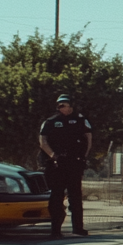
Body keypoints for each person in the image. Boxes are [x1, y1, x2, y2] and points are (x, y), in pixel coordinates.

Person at [39, 93, 93, 237]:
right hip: (57, 165)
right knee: (56, 197)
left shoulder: (81, 120)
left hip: (74, 163)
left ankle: (78, 228)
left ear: (71, 105)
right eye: (59, 104)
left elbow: (88, 139)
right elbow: (43, 142)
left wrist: (83, 157)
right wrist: (53, 156)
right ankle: (56, 229)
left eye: (64, 104)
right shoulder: (50, 122)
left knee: (75, 196)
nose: (61, 107)